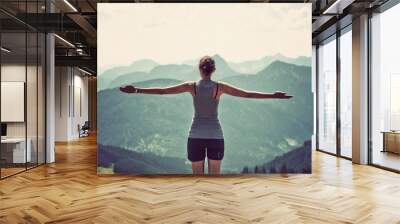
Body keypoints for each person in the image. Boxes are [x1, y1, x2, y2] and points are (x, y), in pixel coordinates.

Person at [120, 56, 292, 174]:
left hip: (195, 136)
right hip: (216, 136)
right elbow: (247, 94)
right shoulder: (220, 87)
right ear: (214, 70)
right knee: (214, 179)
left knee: (197, 179)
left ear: (199, 69)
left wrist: (136, 90)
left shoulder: (191, 86)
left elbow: (163, 91)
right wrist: (273, 95)